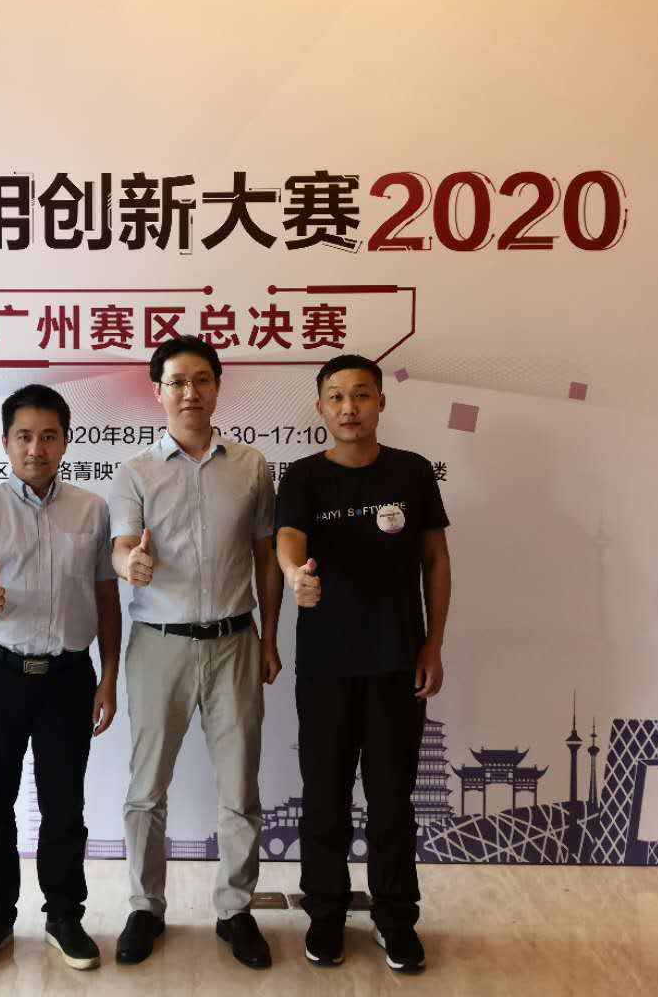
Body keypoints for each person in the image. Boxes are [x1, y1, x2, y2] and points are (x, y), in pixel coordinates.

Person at [274, 353, 452, 974]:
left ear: (380, 401)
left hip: (396, 662)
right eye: (336, 397)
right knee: (324, 798)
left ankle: (395, 920)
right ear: (320, 407)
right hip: (325, 666)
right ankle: (325, 915)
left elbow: (436, 560)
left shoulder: (412, 472)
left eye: (361, 395)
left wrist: (433, 644)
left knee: (392, 800)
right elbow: (289, 539)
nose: (349, 408)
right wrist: (295, 574)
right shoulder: (302, 477)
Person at [109, 335, 283, 970]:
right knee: (146, 788)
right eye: (177, 381)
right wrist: (130, 564)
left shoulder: (252, 466)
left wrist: (270, 636)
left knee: (240, 786)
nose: (190, 392)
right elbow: (121, 547)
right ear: (157, 391)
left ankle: (235, 910)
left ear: (217, 387)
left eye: (202, 380)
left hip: (236, 641)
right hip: (160, 645)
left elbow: (266, 556)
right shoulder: (135, 471)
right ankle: (145, 906)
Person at [0, 384, 121, 974]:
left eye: (47, 436)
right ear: (5, 443)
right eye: (24, 436)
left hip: (68, 677)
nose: (35, 448)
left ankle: (64, 916)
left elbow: (106, 597)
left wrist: (109, 676)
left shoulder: (92, 510)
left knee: (65, 804)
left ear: (65, 441)